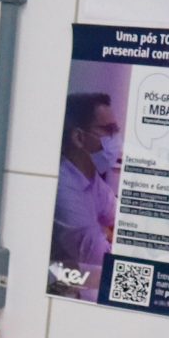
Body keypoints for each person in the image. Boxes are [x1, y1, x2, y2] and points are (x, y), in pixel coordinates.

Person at [49, 90, 122, 299]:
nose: (116, 139)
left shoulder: (89, 177)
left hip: (77, 282)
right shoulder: (63, 188)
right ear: (79, 137)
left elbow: (118, 218)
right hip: (61, 291)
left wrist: (106, 232)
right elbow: (99, 258)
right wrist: (105, 233)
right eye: (108, 130)